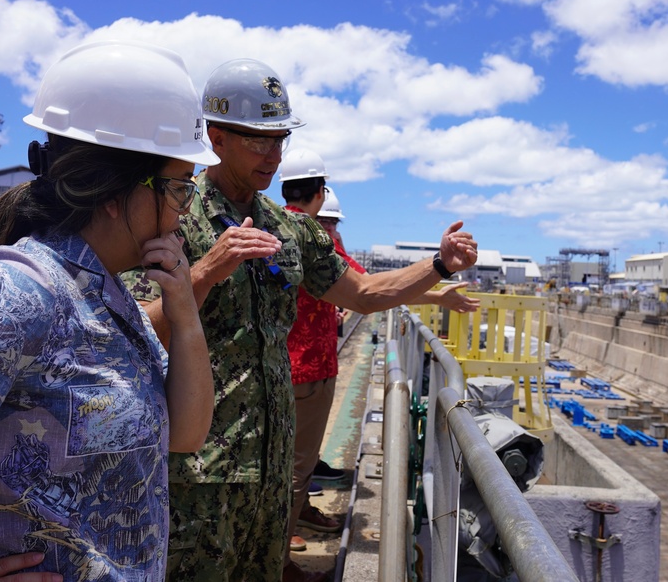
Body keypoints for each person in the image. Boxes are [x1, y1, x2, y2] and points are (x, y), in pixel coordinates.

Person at [119, 58, 478, 582]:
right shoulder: (169, 213)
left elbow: (366, 294)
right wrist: (208, 271)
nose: (273, 154)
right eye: (257, 140)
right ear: (215, 137)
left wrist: (440, 265)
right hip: (194, 474)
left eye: (279, 138)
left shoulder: (293, 232)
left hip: (271, 470)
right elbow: (133, 332)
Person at [0, 40, 227, 582]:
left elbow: (185, 434)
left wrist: (183, 312)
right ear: (116, 190)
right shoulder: (15, 296)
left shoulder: (103, 294)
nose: (184, 214)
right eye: (181, 188)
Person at [280, 159, 480, 564]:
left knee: (289, 459)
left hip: (284, 365)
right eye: (332, 221)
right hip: (309, 368)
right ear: (319, 193)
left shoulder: (272, 226)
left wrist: (438, 294)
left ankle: (296, 518)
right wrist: (439, 273)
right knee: (297, 464)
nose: (334, 230)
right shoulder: (316, 240)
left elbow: (374, 289)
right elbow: (372, 290)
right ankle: (280, 554)